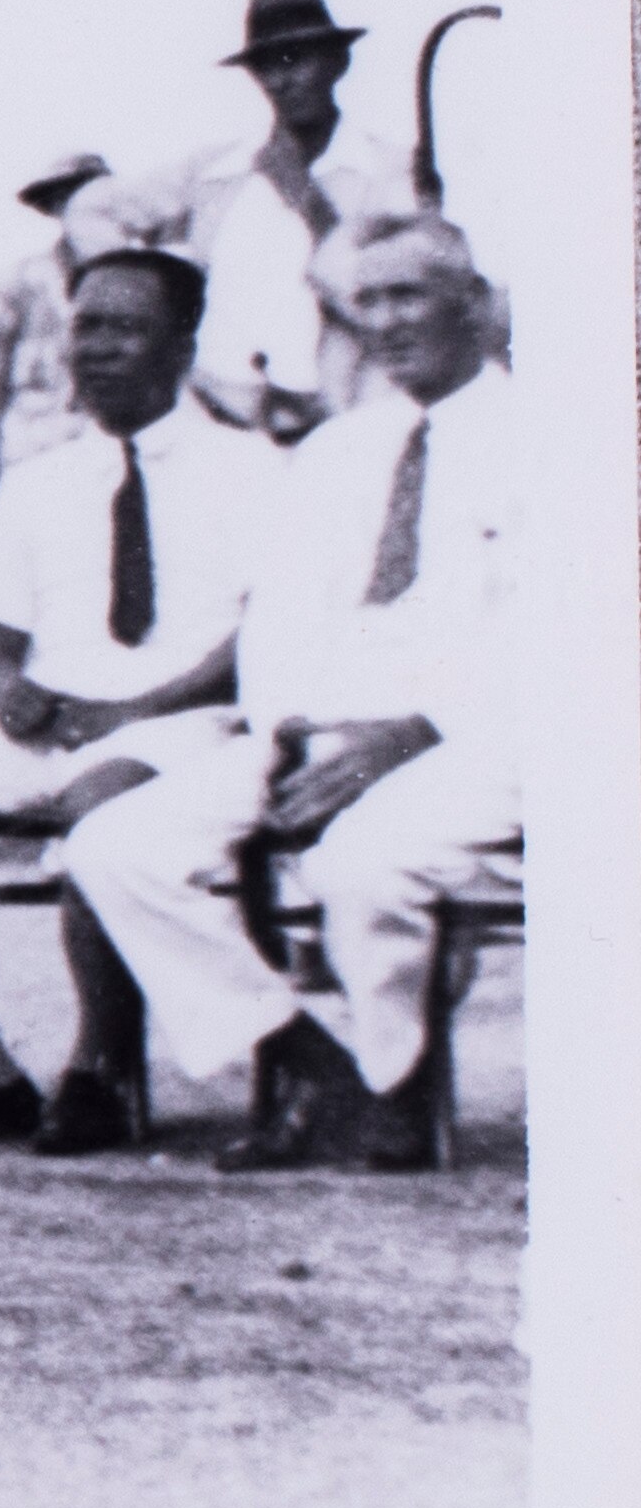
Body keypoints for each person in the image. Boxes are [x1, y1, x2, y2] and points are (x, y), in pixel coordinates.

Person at [55, 212, 514, 1175]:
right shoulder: (341, 451)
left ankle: (396, 1081)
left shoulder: (555, 443)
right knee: (115, 844)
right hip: (322, 728)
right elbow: (281, 619)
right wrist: (292, 729)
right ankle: (310, 1058)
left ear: (475, 303)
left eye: (409, 296)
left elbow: (560, 635)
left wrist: (408, 732)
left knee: (359, 862)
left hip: (480, 734)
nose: (385, 322)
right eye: (368, 301)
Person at [0, 248, 274, 1156]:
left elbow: (259, 645)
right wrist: (11, 697)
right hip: (53, 717)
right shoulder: (41, 479)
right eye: (87, 325)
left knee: (99, 819)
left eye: (126, 327)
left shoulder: (258, 470)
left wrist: (134, 713)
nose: (99, 348)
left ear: (182, 342)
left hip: (184, 719)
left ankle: (99, 1074)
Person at [183, 0, 404, 442]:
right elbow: (98, 215)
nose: (282, 81)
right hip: (227, 432)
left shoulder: (389, 172)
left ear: (337, 62)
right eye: (266, 67)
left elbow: (388, 300)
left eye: (296, 60)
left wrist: (304, 197)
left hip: (346, 426)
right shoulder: (218, 175)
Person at [0, 150, 112, 529]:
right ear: (55, 209)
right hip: (32, 457)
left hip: (104, 467)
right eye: (66, 199)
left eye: (92, 198)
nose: (80, 211)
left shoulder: (132, 285)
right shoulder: (21, 284)